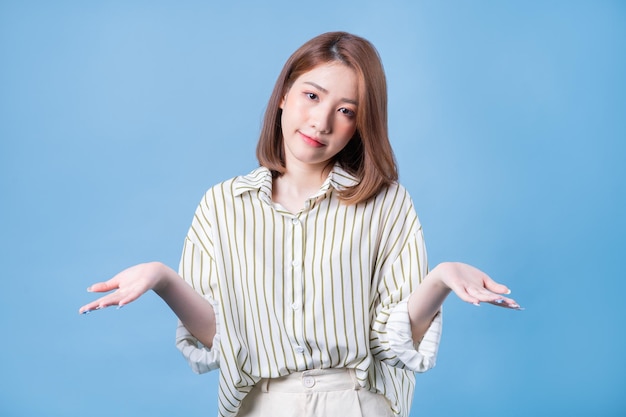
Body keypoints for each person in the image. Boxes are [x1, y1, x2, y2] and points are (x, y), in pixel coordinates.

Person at [79, 31, 521, 417]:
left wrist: (440, 279)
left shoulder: (387, 203)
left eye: (346, 110)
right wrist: (162, 279)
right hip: (260, 405)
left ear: (360, 126)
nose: (321, 121)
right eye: (312, 96)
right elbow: (220, 340)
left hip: (357, 403)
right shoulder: (221, 205)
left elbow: (391, 343)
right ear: (284, 95)